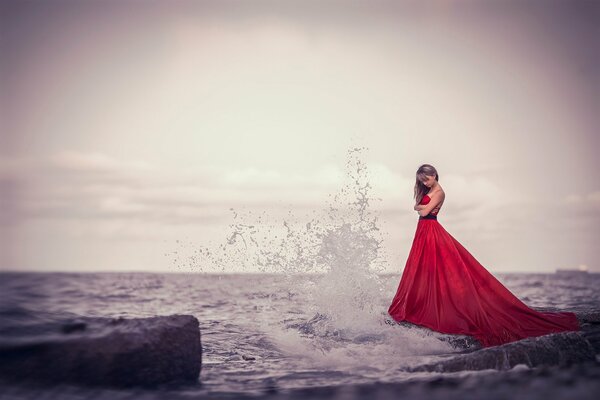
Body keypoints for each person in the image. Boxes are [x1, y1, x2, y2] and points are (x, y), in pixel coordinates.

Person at [387, 164, 581, 347]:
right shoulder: (429, 191)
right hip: (423, 231)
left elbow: (424, 211)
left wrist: (418, 208)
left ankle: (434, 310)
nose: (425, 183)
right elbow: (420, 209)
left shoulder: (440, 192)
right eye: (422, 181)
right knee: (421, 270)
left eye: (427, 179)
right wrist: (419, 207)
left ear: (434, 175)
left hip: (431, 230)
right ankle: (416, 307)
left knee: (439, 270)